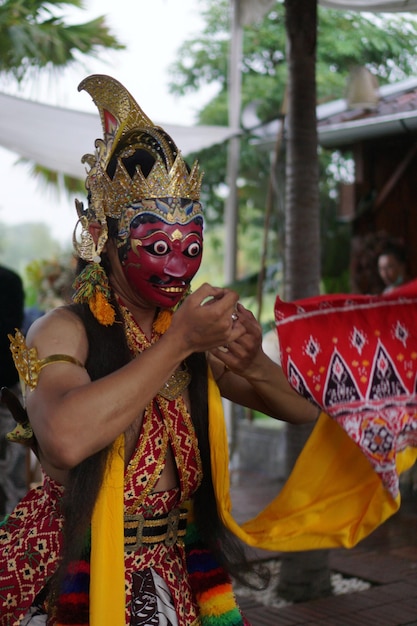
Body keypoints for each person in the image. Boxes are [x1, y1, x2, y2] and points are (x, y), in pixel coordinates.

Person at [0, 75, 318, 626]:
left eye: (190, 245)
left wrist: (251, 363)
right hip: (77, 561)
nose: (177, 266)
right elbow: (67, 438)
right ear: (102, 237)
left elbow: (302, 410)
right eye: (156, 246)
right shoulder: (63, 330)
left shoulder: (191, 330)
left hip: (175, 567)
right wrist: (180, 343)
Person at [0, 266, 27, 517]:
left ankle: (11, 528)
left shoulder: (8, 280)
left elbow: (11, 330)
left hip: (6, 390)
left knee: (12, 467)